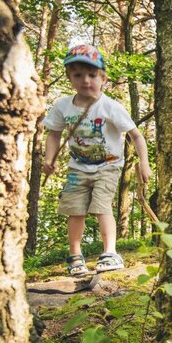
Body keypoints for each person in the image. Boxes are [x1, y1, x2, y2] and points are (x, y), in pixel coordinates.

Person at [42, 44, 152, 276]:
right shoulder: (62, 106)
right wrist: (49, 159)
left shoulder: (110, 106)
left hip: (108, 165)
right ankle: (75, 255)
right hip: (77, 168)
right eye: (78, 75)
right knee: (75, 209)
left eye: (92, 75)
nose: (85, 80)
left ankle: (110, 252)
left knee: (102, 207)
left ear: (103, 78)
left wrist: (144, 163)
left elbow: (136, 135)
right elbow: (53, 134)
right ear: (69, 77)